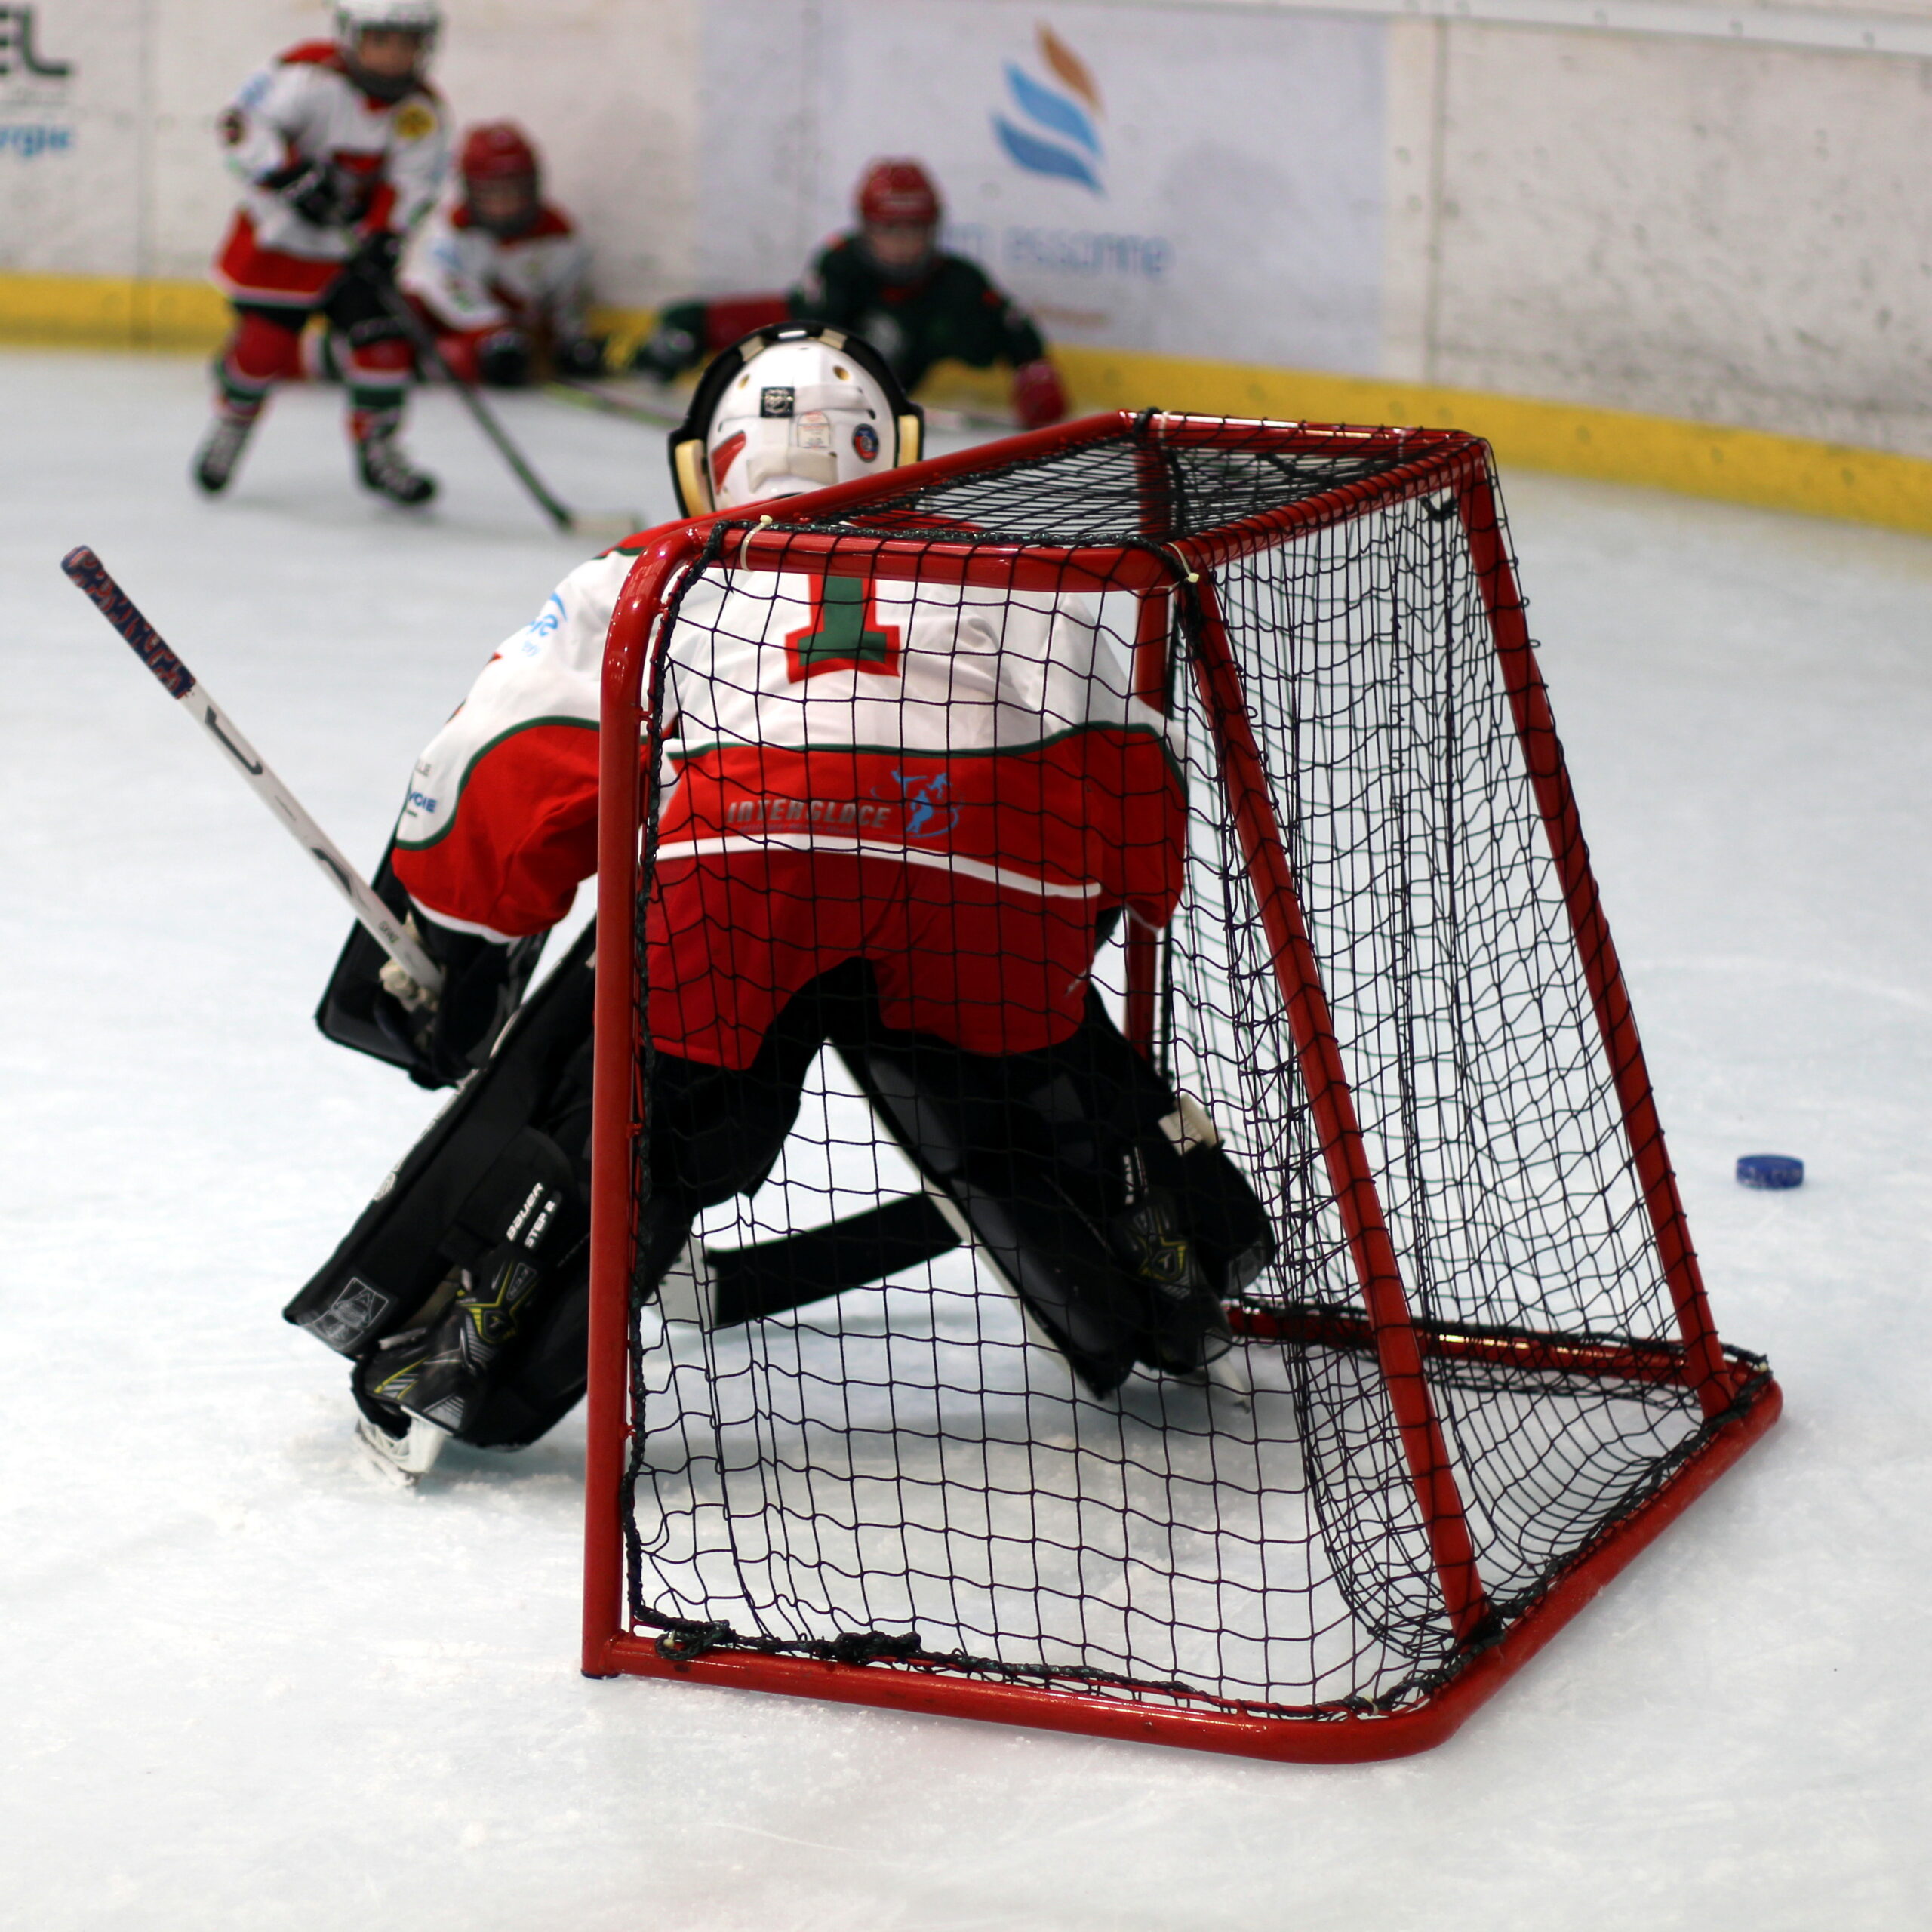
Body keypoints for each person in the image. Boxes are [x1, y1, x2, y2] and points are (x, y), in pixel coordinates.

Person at [287, 323, 1268, 1481]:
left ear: (713, 460)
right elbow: (1125, 763)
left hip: (752, 866)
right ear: (893, 446)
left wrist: (451, 946)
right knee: (1028, 1061)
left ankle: (471, 1339)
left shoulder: (649, 570)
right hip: (990, 864)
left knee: (645, 1107)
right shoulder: (1014, 569)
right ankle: (1157, 1256)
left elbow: (506, 764)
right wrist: (1097, 919)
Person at [192, 0, 449, 506]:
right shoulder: (306, 75)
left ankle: (379, 450)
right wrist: (288, 174)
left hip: (349, 253)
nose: (396, 56)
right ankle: (233, 424)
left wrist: (385, 235)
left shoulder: (423, 112)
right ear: (353, 37)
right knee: (264, 350)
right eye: (383, 41)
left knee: (385, 347)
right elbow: (241, 126)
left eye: (410, 43)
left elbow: (414, 182)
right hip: (283, 240)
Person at [632, 160, 1069, 430]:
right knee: (686, 321)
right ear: (866, 227)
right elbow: (805, 344)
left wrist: (1035, 376)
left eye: (914, 230)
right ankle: (630, 355)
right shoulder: (840, 265)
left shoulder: (959, 282)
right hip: (830, 384)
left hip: (879, 402)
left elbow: (1016, 332)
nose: (902, 243)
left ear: (934, 228)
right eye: (889, 229)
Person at [399, 122, 605, 389]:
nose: (505, 202)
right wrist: (493, 332)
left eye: (516, 189)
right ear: (470, 190)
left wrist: (573, 343)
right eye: (491, 192)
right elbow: (444, 293)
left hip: (513, 341)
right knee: (423, 335)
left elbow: (568, 304)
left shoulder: (560, 238)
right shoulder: (448, 231)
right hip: (455, 328)